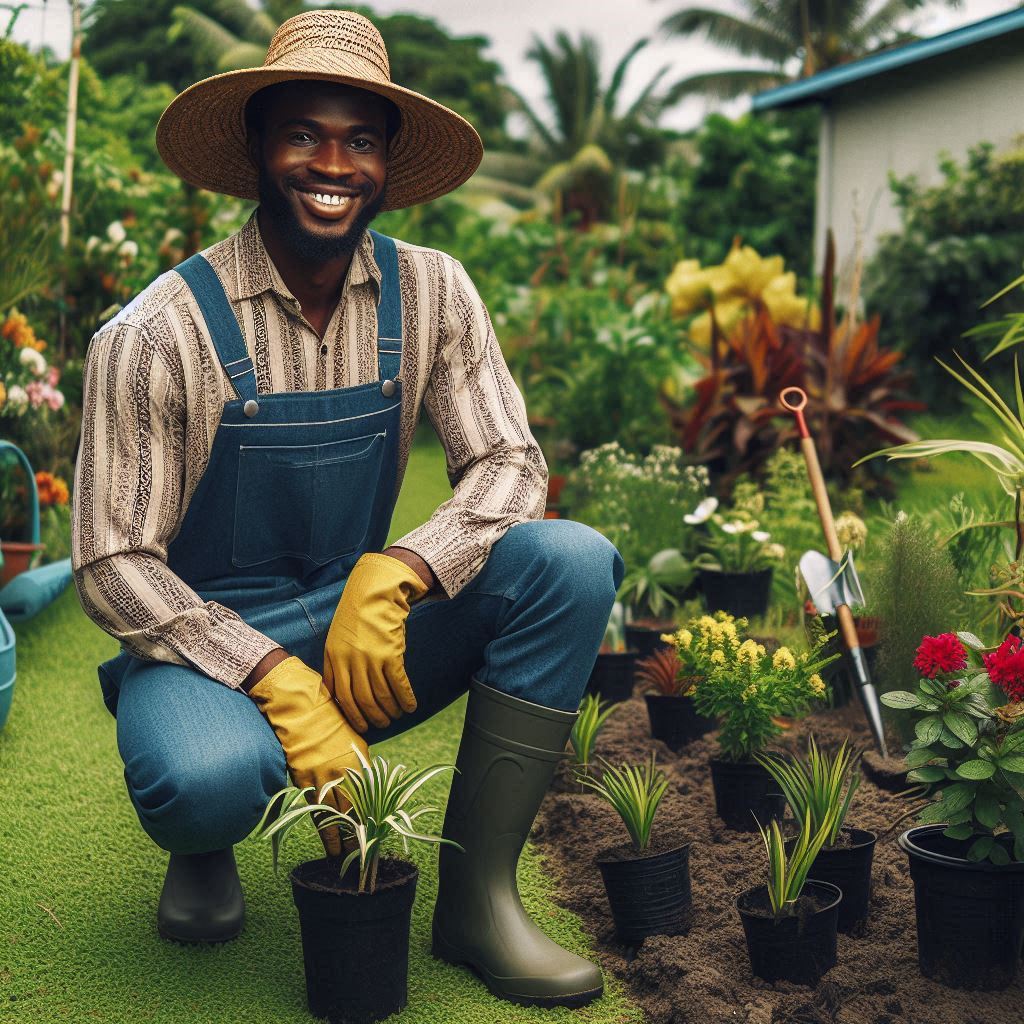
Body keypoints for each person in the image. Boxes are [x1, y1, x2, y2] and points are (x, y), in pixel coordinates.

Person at [70, 8, 622, 1011]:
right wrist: (276, 678)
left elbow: (508, 460)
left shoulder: (435, 293)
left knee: (571, 559)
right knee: (202, 783)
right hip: (206, 644)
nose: (332, 162)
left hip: (363, 625)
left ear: (384, 161)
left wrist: (402, 568)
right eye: (303, 134)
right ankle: (208, 839)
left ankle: (477, 903)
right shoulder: (155, 332)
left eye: (358, 139)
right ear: (256, 150)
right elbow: (112, 561)